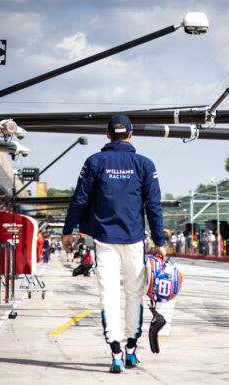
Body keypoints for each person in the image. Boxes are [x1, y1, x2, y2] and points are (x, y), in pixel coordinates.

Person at [62, 114, 165, 374]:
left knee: (109, 296)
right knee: (134, 294)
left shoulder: (94, 162)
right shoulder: (144, 164)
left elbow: (79, 199)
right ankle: (132, 349)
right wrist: (159, 241)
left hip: (103, 239)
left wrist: (68, 231)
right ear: (130, 134)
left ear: (107, 135)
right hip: (134, 240)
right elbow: (153, 205)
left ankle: (116, 353)